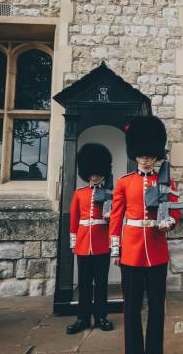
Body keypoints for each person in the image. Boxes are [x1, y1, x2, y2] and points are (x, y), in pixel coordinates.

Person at [109, 115, 181, 354]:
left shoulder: (165, 180)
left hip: (157, 250)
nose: (146, 160)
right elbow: (117, 218)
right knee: (131, 307)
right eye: (142, 156)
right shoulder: (124, 182)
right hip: (131, 251)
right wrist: (116, 249)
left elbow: (173, 210)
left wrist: (169, 222)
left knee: (157, 308)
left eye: (150, 156)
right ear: (135, 155)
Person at [67, 143, 114, 334]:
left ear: (104, 172)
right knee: (84, 285)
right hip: (83, 244)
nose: (95, 176)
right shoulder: (79, 194)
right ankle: (83, 318)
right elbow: (74, 221)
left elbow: (115, 220)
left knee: (101, 284)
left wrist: (110, 214)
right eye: (92, 172)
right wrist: (73, 243)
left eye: (98, 172)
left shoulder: (110, 193)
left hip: (102, 244)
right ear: (86, 172)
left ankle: (101, 317)